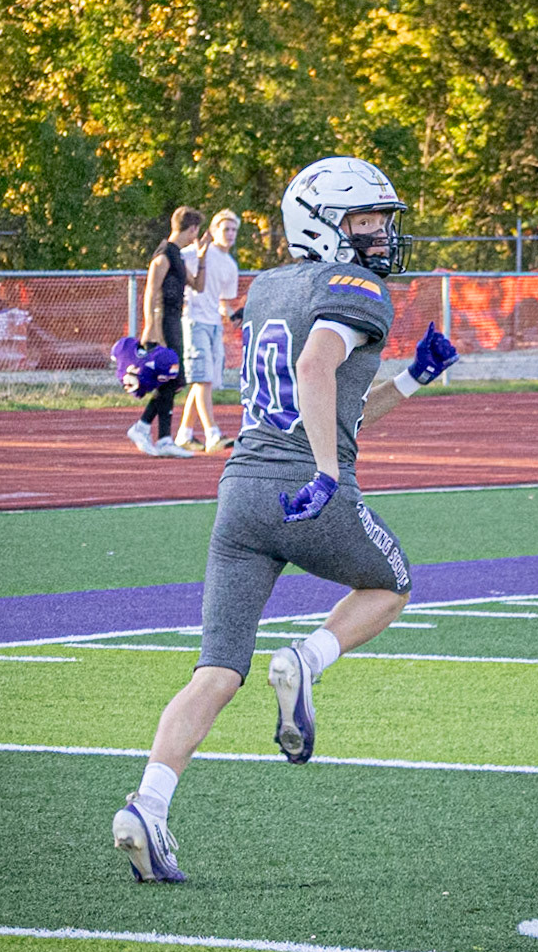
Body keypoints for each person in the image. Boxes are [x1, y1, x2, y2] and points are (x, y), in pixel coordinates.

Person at [112, 155, 458, 882]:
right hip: (306, 489)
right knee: (390, 586)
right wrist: (329, 474)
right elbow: (313, 373)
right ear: (323, 224)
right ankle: (304, 659)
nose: (377, 236)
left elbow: (336, 400)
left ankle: (147, 805)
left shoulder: (269, 285)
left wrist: (415, 379)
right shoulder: (355, 286)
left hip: (241, 493)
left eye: (379, 223)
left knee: (214, 672)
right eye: (363, 220)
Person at [126, 207, 210, 458]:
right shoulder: (163, 255)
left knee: (173, 380)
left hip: (175, 320)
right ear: (192, 229)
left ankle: (161, 437)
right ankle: (144, 428)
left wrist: (202, 256)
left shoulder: (178, 256)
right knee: (171, 378)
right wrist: (151, 327)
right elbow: (151, 291)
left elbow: (198, 285)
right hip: (163, 321)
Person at [174, 208, 241, 454]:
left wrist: (232, 315)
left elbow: (222, 301)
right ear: (213, 232)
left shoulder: (230, 265)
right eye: (226, 229)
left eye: (234, 229)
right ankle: (212, 433)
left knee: (204, 381)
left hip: (213, 323)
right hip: (193, 321)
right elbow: (173, 263)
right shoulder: (196, 253)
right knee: (203, 379)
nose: (230, 234)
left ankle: (184, 434)